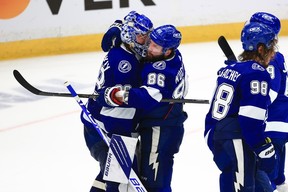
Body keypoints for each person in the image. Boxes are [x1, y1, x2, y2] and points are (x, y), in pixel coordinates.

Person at [105, 24, 188, 192]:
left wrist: (114, 95)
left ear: (168, 51)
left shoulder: (160, 71)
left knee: (155, 185)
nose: (149, 48)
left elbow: (145, 98)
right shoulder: (173, 55)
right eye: (150, 42)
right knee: (146, 181)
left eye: (155, 47)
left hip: (161, 129)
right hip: (162, 125)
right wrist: (120, 29)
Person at [80, 11, 153, 192]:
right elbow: (125, 104)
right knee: (119, 176)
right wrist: (124, 140)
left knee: (112, 172)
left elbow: (118, 25)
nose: (147, 40)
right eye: (142, 36)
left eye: (147, 35)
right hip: (107, 125)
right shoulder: (125, 66)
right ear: (129, 35)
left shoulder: (122, 45)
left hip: (98, 119)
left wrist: (117, 27)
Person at [204, 21, 278, 191]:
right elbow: (251, 120)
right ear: (260, 49)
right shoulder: (257, 73)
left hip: (217, 134)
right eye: (271, 48)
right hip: (235, 137)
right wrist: (262, 147)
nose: (273, 54)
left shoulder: (234, 68)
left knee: (244, 182)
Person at [248, 12, 288, 192]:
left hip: (273, 122)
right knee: (277, 173)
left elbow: (270, 92)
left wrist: (248, 100)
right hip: (280, 121)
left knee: (266, 173)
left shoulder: (271, 60)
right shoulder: (274, 56)